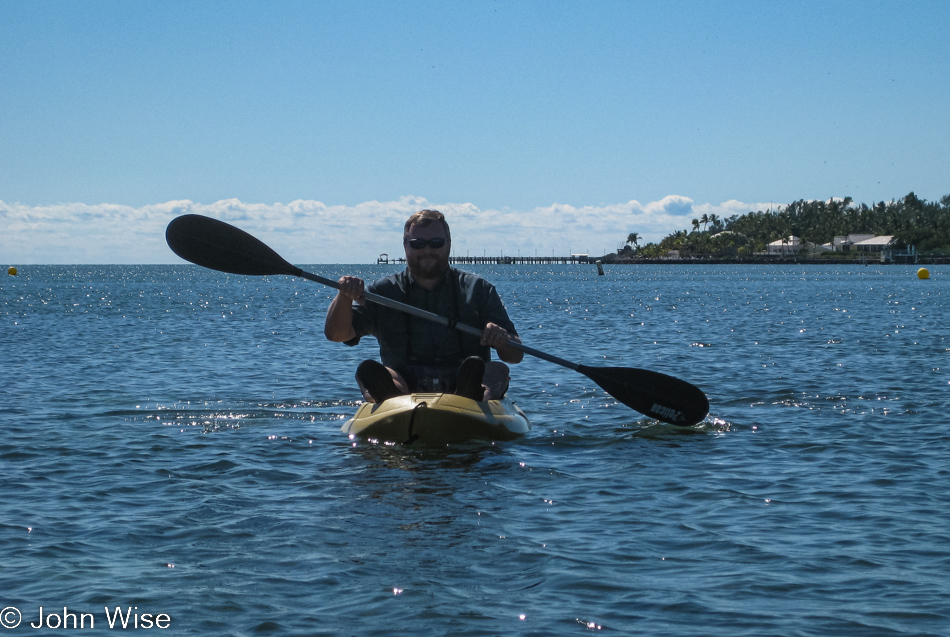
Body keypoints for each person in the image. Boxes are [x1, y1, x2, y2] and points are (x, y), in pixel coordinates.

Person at [325, 209, 523, 402]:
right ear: (405, 246)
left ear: (449, 244)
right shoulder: (382, 292)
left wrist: (501, 338)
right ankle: (391, 398)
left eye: (436, 243)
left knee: (498, 371)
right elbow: (337, 334)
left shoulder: (479, 289)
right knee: (370, 372)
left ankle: (471, 398)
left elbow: (515, 355)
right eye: (417, 244)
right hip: (403, 386)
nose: (427, 250)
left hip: (468, 379)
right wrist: (344, 296)